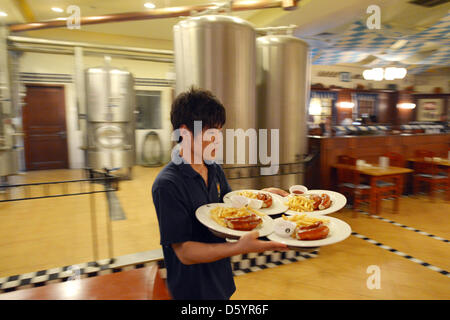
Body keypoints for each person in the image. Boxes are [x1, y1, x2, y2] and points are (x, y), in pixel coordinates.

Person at [151, 87, 288, 300]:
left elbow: (230, 209)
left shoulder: (213, 167)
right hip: (192, 291)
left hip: (220, 280)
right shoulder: (167, 184)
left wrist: (263, 198)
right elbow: (185, 253)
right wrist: (238, 248)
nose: (219, 141)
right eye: (212, 134)